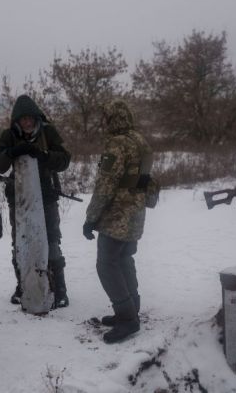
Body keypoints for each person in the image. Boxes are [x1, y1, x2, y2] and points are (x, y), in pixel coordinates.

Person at [0, 95, 71, 308]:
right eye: (22, 119)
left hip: (46, 196)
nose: (27, 123)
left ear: (36, 118)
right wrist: (12, 152)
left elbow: (64, 160)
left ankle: (59, 288)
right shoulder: (9, 136)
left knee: (51, 240)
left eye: (30, 119)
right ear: (17, 120)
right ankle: (23, 285)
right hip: (20, 199)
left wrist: (43, 155)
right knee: (20, 241)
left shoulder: (48, 132)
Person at [82, 99, 153, 344]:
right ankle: (131, 308)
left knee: (106, 265)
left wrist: (90, 219)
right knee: (124, 259)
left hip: (117, 215)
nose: (103, 122)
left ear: (112, 118)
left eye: (105, 117)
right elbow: (143, 179)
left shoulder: (116, 145)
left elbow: (105, 185)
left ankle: (127, 319)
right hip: (136, 212)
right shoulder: (140, 140)